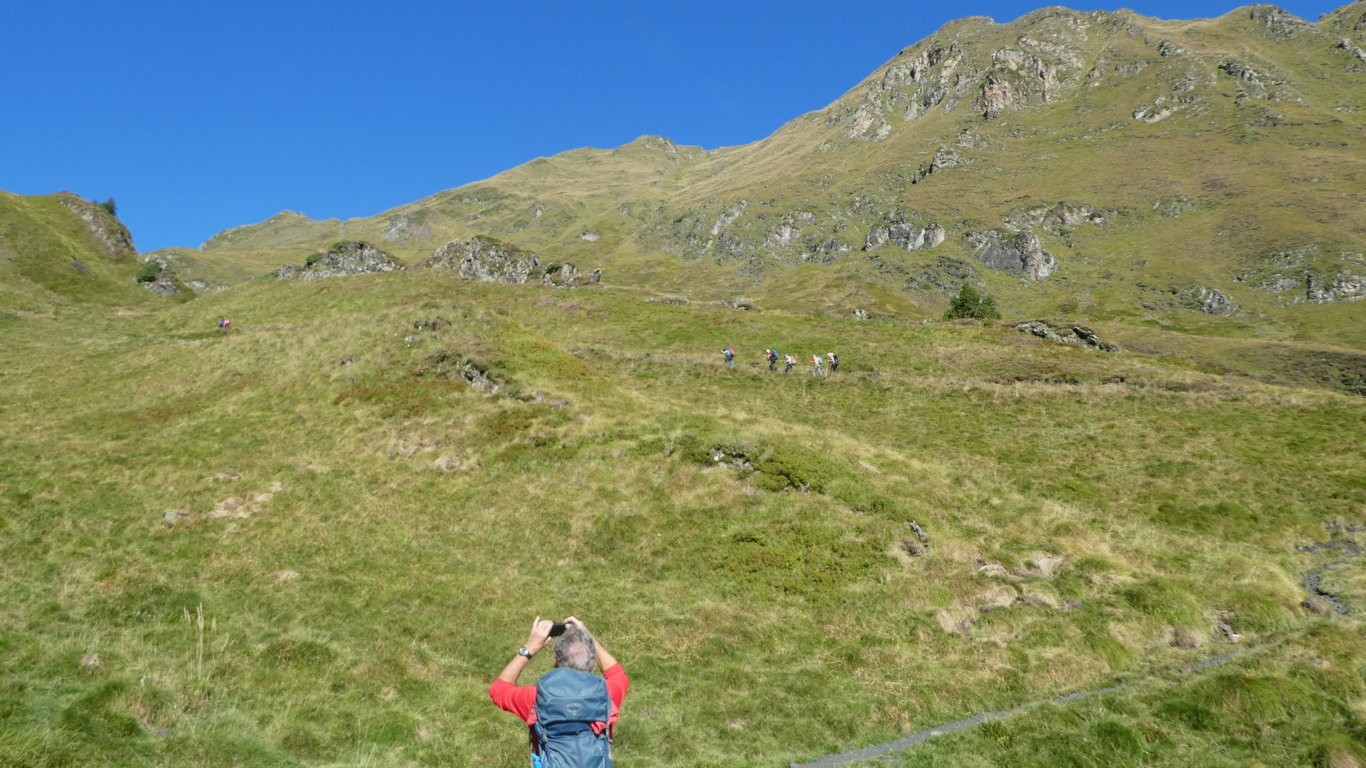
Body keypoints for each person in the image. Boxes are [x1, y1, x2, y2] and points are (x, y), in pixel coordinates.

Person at [490, 616, 629, 768]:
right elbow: (617, 674)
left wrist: (530, 647)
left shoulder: (536, 699)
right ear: (593, 663)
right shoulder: (606, 694)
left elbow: (498, 689)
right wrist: (586, 636)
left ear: (555, 661)